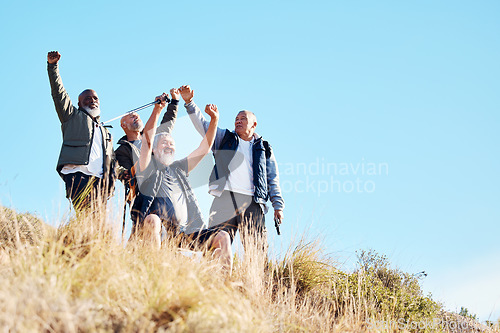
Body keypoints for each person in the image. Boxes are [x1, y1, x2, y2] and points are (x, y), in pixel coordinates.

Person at [178, 85, 284, 250]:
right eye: (236, 118)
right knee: (216, 245)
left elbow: (272, 178)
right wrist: (189, 102)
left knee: (257, 250)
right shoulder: (224, 139)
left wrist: (278, 206)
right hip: (225, 200)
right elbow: (204, 126)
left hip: (253, 203)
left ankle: (254, 276)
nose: (238, 121)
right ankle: (214, 275)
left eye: (243, 118)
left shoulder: (263, 148)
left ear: (253, 125)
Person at [135, 93, 232, 272]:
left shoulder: (179, 168)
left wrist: (214, 120)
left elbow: (205, 148)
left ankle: (224, 285)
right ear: (155, 150)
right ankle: (155, 274)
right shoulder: (148, 168)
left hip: (187, 233)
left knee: (223, 236)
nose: (170, 146)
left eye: (172, 143)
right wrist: (157, 110)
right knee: (152, 220)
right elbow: (147, 142)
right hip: (161, 230)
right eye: (164, 143)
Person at [47, 51, 115, 211]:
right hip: (78, 174)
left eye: (95, 98)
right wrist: (53, 67)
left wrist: (121, 173)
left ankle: (78, 236)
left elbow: (111, 159)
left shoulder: (105, 132)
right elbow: (59, 94)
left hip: (100, 180)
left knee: (98, 224)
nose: (92, 100)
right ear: (79, 104)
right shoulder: (72, 116)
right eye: (87, 98)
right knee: (88, 213)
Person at [115, 88, 180, 234]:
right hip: (142, 194)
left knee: (170, 235)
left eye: (137, 115)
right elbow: (127, 173)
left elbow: (167, 124)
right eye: (131, 116)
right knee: (143, 230)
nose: (135, 116)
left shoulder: (154, 138)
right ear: (123, 125)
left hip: (162, 190)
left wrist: (174, 102)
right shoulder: (122, 151)